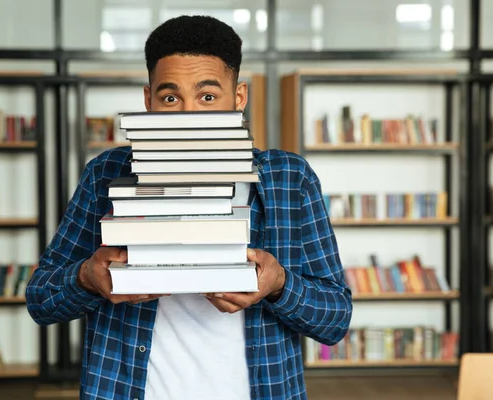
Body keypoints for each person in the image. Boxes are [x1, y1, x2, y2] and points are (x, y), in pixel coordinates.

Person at [25, 15, 352, 400]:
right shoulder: (106, 173)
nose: (188, 115)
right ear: (148, 101)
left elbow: (335, 319)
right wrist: (86, 276)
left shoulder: (290, 179)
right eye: (170, 98)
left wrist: (279, 284)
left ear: (240, 98)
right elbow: (41, 299)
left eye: (208, 97)